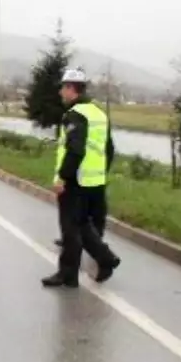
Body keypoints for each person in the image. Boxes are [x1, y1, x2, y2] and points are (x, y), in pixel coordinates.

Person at [42, 69, 121, 288]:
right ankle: (106, 259)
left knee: (70, 228)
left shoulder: (75, 115)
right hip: (95, 181)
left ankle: (68, 274)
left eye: (63, 87)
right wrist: (101, 172)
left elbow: (75, 150)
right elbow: (109, 148)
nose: (60, 92)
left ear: (71, 88)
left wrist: (62, 179)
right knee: (83, 226)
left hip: (76, 180)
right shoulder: (98, 113)